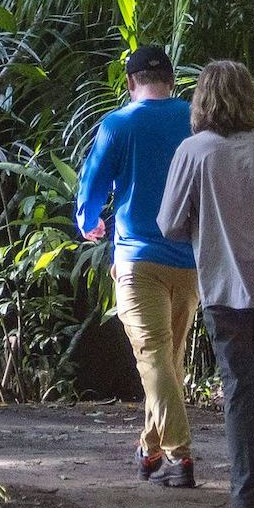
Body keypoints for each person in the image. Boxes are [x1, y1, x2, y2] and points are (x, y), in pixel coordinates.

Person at [155, 61, 254, 508]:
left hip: (223, 285)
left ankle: (244, 502)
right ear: (250, 98)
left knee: (238, 388)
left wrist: (204, 230)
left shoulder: (193, 152)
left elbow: (169, 224)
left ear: (201, 99)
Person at [74, 45, 199, 485]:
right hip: (189, 259)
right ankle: (149, 449)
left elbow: (92, 187)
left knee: (154, 359)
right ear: (172, 80)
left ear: (129, 83)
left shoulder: (117, 124)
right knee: (167, 360)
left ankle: (179, 456)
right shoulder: (194, 120)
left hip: (137, 258)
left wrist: (88, 221)